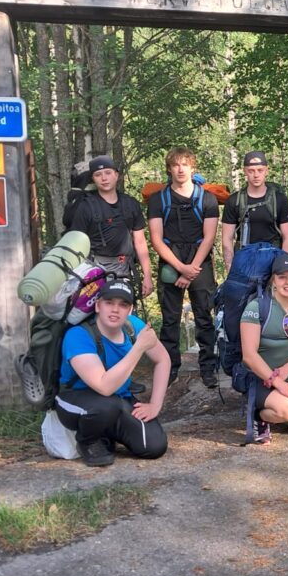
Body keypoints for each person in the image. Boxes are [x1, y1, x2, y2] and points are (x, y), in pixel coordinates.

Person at [55, 280, 171, 466]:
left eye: (123, 304)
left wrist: (155, 405)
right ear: (98, 305)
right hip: (74, 400)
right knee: (106, 406)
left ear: (130, 309)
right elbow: (104, 386)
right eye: (109, 302)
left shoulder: (134, 326)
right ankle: (88, 441)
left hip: (117, 399)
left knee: (154, 446)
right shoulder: (79, 334)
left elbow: (163, 359)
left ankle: (106, 435)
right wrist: (138, 348)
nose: (115, 310)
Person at [147, 147, 220, 387]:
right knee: (170, 319)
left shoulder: (207, 199)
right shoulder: (159, 200)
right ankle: (168, 368)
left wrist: (191, 269)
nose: (180, 169)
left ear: (192, 167)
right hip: (171, 260)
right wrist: (180, 267)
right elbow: (156, 239)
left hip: (200, 260)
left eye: (185, 164)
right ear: (169, 168)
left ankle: (208, 367)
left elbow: (209, 237)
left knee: (204, 317)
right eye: (176, 165)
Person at [239, 253, 288, 443]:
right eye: (282, 277)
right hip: (258, 380)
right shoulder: (257, 307)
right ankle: (260, 416)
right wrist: (279, 384)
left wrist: (287, 369)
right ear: (273, 280)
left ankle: (279, 408)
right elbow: (249, 356)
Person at [67, 154, 153, 297]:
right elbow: (76, 244)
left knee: (124, 314)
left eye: (108, 173)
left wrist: (147, 276)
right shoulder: (85, 207)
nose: (104, 178)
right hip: (93, 271)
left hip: (125, 269)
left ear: (116, 175)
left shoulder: (130, 204)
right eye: (98, 174)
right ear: (93, 179)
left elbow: (140, 242)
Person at [221, 150, 288, 270]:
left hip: (273, 261)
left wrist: (284, 267)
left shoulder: (279, 199)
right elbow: (227, 239)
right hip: (244, 262)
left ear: (266, 171)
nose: (256, 175)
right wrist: (230, 267)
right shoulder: (234, 201)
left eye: (260, 170)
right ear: (245, 171)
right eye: (251, 171)